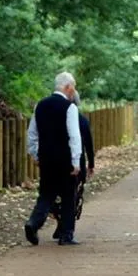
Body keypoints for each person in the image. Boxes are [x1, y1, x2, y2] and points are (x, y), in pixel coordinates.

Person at [24, 72, 84, 246]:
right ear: (68, 87)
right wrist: (75, 161)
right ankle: (66, 234)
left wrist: (35, 154)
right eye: (73, 86)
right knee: (68, 196)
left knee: (46, 194)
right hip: (64, 159)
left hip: (46, 158)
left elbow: (32, 133)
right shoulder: (69, 108)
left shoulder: (40, 105)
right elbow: (74, 136)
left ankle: (33, 223)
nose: (74, 90)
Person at [51, 90, 95, 239]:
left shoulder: (56, 118)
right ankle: (65, 230)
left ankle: (60, 223)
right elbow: (89, 144)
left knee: (56, 196)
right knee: (72, 198)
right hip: (76, 163)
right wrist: (91, 164)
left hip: (56, 162)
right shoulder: (82, 120)